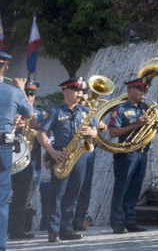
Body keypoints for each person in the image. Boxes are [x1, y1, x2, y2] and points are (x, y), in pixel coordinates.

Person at [38, 77, 101, 243]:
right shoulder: (56, 111)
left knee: (74, 193)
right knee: (57, 194)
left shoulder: (85, 111)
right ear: (65, 91)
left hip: (80, 155)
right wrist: (52, 152)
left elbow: (96, 131)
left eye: (80, 90)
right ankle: (53, 230)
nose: (79, 93)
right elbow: (41, 133)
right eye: (75, 89)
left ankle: (66, 228)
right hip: (61, 154)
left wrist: (91, 132)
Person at [105, 76, 158, 234]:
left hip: (142, 152)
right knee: (122, 188)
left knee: (135, 189)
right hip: (126, 153)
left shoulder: (145, 109)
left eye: (144, 89)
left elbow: (149, 131)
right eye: (139, 89)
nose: (143, 92)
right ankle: (117, 222)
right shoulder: (120, 109)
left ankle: (130, 221)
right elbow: (113, 132)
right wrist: (136, 124)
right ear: (129, 90)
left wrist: (157, 127)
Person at [0, 52, 34, 250]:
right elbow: (29, 113)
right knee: (2, 198)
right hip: (2, 147)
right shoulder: (13, 92)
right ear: (6, 68)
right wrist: (21, 90)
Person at [8, 81, 39, 241]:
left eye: (31, 93)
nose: (28, 96)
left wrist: (29, 123)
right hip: (6, 158)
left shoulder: (38, 112)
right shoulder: (9, 108)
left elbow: (45, 131)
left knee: (21, 197)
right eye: (25, 93)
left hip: (26, 161)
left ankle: (17, 229)